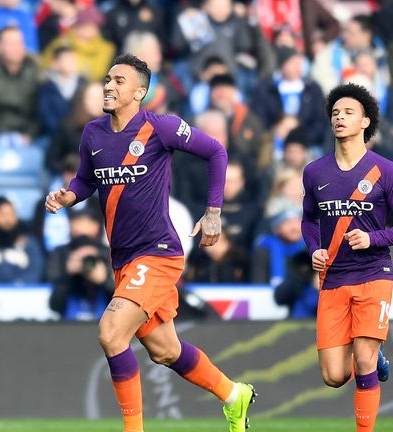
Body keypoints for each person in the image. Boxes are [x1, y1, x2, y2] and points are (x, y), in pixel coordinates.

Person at [45, 54, 255, 432]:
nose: (109, 86)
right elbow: (86, 180)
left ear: (140, 92)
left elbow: (216, 152)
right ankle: (233, 395)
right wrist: (68, 197)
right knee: (165, 350)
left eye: (119, 81)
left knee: (111, 333)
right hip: (123, 259)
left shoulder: (161, 128)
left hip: (158, 253)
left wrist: (213, 212)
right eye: (108, 79)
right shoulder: (93, 133)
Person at [301, 83, 393, 432]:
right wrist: (314, 250)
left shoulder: (385, 170)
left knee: (363, 360)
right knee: (334, 376)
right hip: (334, 278)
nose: (339, 117)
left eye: (348, 112)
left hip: (373, 273)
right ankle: (374, 355)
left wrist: (373, 238)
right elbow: (309, 219)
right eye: (335, 113)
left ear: (365, 122)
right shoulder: (315, 172)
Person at [0, 196, 44, 283]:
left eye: (11, 214)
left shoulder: (29, 242)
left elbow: (35, 271)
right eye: (2, 214)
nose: (7, 219)